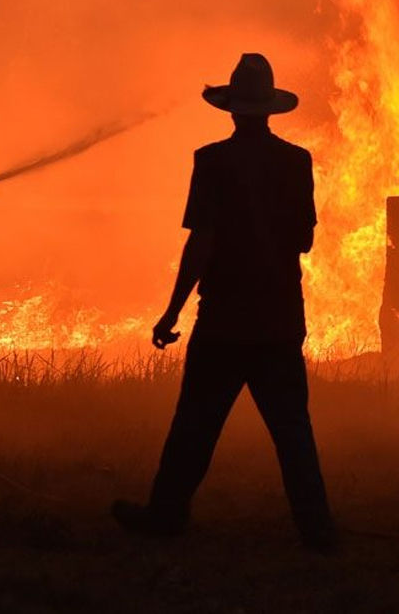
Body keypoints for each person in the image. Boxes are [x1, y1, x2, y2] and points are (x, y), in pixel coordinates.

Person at [112, 53, 337, 552]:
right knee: (293, 431)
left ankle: (165, 516)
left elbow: (202, 242)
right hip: (278, 318)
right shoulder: (296, 162)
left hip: (224, 321)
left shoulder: (211, 161)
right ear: (269, 111)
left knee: (194, 423)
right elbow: (304, 239)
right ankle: (318, 530)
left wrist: (172, 312)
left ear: (233, 110)